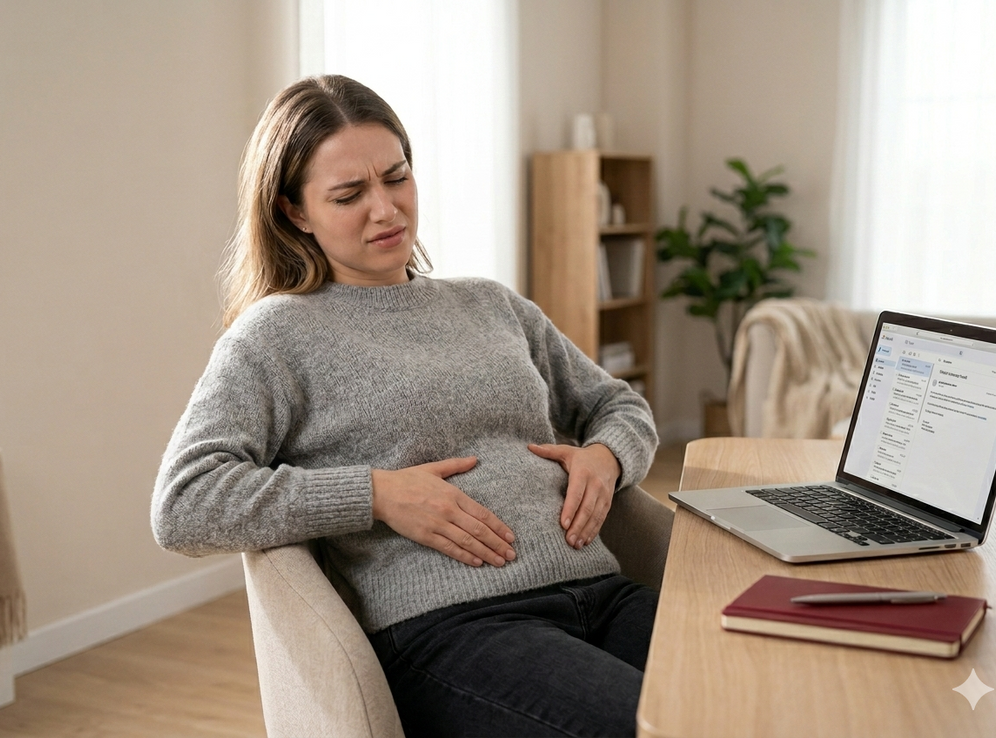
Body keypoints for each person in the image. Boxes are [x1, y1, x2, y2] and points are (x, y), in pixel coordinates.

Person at [152, 74, 660, 738]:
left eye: (397, 178)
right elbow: (185, 502)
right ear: (294, 212)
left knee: (766, 691)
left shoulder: (490, 303)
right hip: (458, 629)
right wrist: (376, 494)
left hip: (603, 591)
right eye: (348, 195)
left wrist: (607, 456)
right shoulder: (273, 336)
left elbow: (620, 405)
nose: (386, 209)